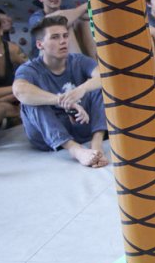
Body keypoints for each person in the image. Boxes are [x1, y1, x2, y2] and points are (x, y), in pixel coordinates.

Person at [12, 15, 108, 167]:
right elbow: (20, 91)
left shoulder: (78, 60)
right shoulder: (30, 68)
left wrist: (81, 89)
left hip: (82, 124)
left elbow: (105, 76)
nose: (63, 41)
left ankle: (96, 145)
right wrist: (62, 101)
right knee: (29, 104)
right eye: (55, 37)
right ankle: (75, 150)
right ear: (39, 45)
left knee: (99, 88)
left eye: (65, 36)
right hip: (49, 134)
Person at [28, 0, 95, 58]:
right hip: (45, 62)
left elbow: (87, 17)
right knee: (64, 26)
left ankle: (96, 62)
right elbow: (57, 22)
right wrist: (86, 5)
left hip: (66, 56)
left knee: (82, 22)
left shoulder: (67, 8)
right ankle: (80, 66)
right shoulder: (35, 17)